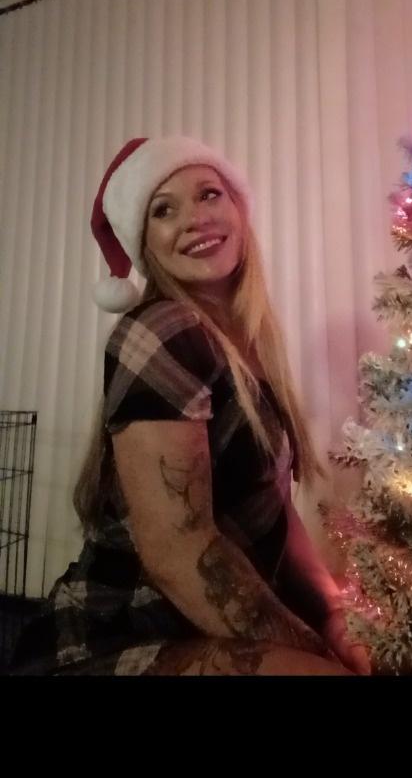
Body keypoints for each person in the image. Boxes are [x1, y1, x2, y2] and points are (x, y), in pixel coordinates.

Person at [11, 136, 371, 676]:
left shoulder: (249, 350)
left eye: (209, 194)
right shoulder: (163, 330)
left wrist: (333, 614)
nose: (195, 219)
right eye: (163, 210)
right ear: (145, 244)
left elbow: (276, 507)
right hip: (114, 635)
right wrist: (315, 652)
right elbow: (180, 551)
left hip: (204, 629)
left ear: (237, 209)